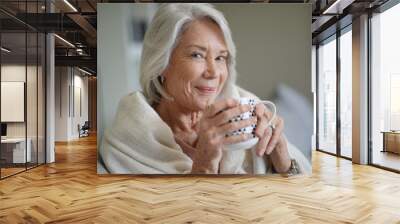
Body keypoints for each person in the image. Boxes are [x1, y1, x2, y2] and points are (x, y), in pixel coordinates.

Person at [99, 3, 311, 175]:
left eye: (220, 58)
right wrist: (203, 166)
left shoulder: (248, 105)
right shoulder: (126, 140)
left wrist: (282, 158)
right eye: (197, 55)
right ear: (161, 63)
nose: (214, 72)